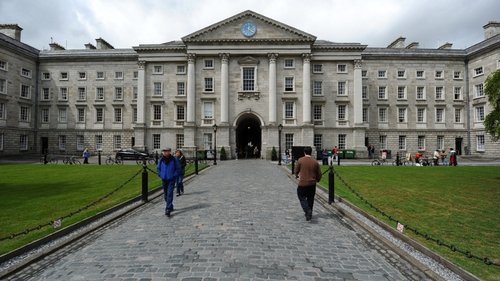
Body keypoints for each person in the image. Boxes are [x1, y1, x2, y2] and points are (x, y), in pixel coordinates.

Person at [294, 146, 322, 221]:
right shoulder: (315, 162)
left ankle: (307, 210)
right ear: (311, 152)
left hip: (303, 183)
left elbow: (296, 170)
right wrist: (318, 179)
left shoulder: (300, 160)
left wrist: (296, 175)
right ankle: (309, 214)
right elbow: (319, 173)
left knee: (301, 196)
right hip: (312, 184)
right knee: (310, 198)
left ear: (304, 152)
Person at [157, 148, 181, 217]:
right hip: (164, 179)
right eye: (164, 151)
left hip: (171, 179)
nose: (165, 153)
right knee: (165, 195)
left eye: (167, 151)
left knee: (170, 193)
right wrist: (160, 174)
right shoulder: (161, 159)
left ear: (169, 152)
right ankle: (170, 205)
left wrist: (174, 175)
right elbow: (158, 168)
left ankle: (167, 209)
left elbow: (178, 169)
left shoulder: (174, 159)